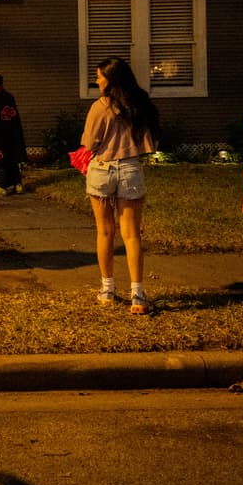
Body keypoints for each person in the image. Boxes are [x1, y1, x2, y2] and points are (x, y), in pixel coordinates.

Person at [81, 57, 160, 315]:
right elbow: (150, 139)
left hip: (102, 169)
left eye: (99, 77)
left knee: (105, 232)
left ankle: (107, 290)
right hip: (130, 168)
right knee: (132, 234)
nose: (97, 81)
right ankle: (137, 294)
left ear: (110, 80)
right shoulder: (139, 104)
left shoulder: (100, 106)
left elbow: (89, 143)